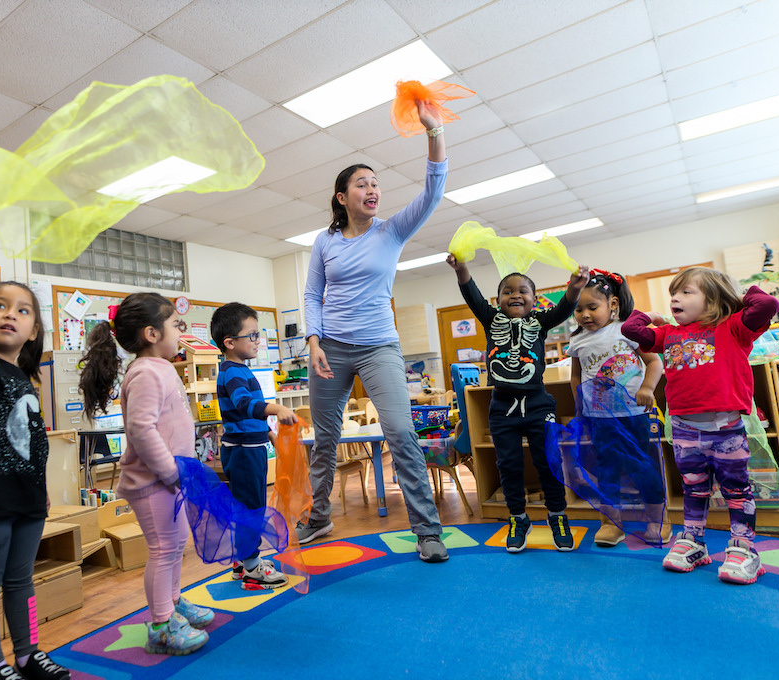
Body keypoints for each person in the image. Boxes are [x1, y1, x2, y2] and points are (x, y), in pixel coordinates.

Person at [301, 99, 449, 562]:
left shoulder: (392, 231)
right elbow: (311, 295)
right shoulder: (324, 242)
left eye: (376, 184)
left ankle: (427, 530)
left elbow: (433, 192)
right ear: (342, 198)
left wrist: (434, 132)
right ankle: (319, 515)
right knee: (323, 439)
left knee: (400, 432)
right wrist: (312, 341)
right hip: (332, 350)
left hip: (380, 347)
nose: (373, 189)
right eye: (362, 184)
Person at [621, 267, 779, 584]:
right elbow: (631, 329)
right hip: (684, 429)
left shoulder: (733, 327)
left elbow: (767, 306)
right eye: (672, 295)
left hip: (726, 429)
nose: (675, 299)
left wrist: (738, 292)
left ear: (714, 299)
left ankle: (744, 547)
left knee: (736, 490)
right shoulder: (668, 334)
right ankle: (693, 540)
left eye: (685, 292)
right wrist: (650, 314)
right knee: (694, 488)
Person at [79, 293, 213, 656]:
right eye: (175, 325)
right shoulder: (144, 373)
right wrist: (170, 471)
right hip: (154, 482)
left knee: (175, 547)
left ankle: (171, 603)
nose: (179, 333)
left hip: (170, 479)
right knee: (164, 548)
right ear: (152, 334)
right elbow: (141, 428)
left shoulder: (162, 368)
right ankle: (160, 626)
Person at [0, 282, 72, 680]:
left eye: (22, 311)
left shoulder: (24, 376)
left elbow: (31, 440)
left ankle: (28, 654)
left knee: (22, 580)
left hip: (28, 497)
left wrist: (44, 490)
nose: (9, 314)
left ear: (35, 330)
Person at [448, 256, 590, 552]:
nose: (515, 295)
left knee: (548, 462)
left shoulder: (539, 323)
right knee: (508, 465)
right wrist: (462, 270)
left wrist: (575, 288)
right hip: (502, 406)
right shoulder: (491, 320)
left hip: (538, 404)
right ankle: (518, 517)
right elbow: (471, 295)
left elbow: (563, 308)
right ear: (497, 300)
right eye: (508, 291)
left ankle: (557, 515)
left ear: (534, 300)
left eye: (523, 290)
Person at [566, 270, 668, 546]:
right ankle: (611, 523)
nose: (585, 315)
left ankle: (658, 520)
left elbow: (654, 362)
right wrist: (579, 402)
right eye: (578, 309)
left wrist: (647, 388)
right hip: (599, 418)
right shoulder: (577, 341)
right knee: (606, 470)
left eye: (592, 307)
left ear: (612, 304)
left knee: (643, 468)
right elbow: (577, 376)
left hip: (633, 415)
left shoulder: (628, 330)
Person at [210, 302, 297, 589]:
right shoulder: (233, 371)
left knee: (247, 506)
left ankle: (241, 561)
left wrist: (267, 435)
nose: (258, 341)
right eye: (253, 336)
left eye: (258, 335)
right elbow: (244, 405)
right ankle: (251, 567)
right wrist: (275, 410)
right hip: (244, 452)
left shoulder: (240, 370)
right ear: (230, 342)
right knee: (251, 509)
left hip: (249, 446)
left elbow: (243, 416)